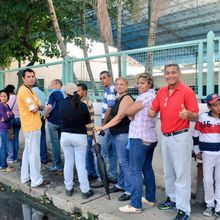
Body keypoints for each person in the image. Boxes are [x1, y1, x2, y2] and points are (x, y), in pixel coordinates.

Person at [148, 63, 199, 220]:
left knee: (181, 175)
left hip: (180, 137)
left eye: (173, 72)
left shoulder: (187, 91)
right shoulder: (162, 91)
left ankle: (184, 210)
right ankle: (172, 199)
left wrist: (188, 115)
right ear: (164, 75)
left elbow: (196, 116)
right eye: (167, 73)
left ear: (179, 73)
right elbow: (154, 108)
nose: (170, 76)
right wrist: (151, 111)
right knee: (168, 172)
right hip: (166, 137)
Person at [119, 73, 157, 213]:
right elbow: (131, 113)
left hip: (139, 138)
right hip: (149, 137)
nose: (138, 85)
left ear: (149, 84)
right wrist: (132, 112)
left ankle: (135, 205)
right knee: (146, 168)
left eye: (142, 83)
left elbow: (127, 111)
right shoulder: (152, 95)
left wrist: (131, 110)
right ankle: (150, 198)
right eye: (138, 83)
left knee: (135, 170)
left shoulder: (146, 96)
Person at [94, 77, 134, 201]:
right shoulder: (119, 98)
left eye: (122, 84)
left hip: (123, 134)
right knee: (121, 162)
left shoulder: (127, 98)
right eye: (117, 84)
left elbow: (120, 116)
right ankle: (120, 184)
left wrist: (103, 127)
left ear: (127, 85)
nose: (119, 86)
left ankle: (129, 190)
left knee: (124, 162)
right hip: (117, 133)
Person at [59, 83, 94, 199]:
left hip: (65, 136)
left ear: (66, 93)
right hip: (79, 137)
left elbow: (60, 119)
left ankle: (68, 189)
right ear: (76, 92)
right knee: (80, 164)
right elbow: (88, 121)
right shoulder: (83, 105)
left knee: (68, 163)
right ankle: (85, 191)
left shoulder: (61, 104)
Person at [18, 68, 50, 187]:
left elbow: (40, 105)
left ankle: (25, 177)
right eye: (28, 77)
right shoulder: (24, 91)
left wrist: (38, 106)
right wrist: (38, 106)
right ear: (23, 78)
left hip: (33, 126)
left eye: (33, 76)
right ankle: (36, 180)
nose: (31, 79)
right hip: (31, 126)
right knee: (34, 154)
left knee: (28, 152)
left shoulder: (30, 90)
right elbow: (35, 108)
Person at [193, 93, 220, 217]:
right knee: (208, 180)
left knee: (219, 180)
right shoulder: (202, 117)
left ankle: (218, 206)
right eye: (214, 105)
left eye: (219, 103)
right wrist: (197, 151)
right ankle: (210, 205)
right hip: (207, 154)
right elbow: (195, 135)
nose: (218, 107)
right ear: (209, 107)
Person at [91, 70, 118, 188]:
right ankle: (112, 175)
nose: (102, 80)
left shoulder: (111, 89)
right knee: (112, 152)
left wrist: (103, 125)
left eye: (104, 78)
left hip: (107, 124)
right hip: (112, 125)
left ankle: (100, 178)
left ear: (110, 78)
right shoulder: (108, 90)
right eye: (101, 78)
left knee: (100, 152)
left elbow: (110, 109)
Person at [77, 83, 97, 181]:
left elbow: (85, 119)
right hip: (84, 132)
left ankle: (91, 174)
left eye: (79, 90)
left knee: (87, 155)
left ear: (84, 91)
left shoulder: (86, 103)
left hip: (87, 132)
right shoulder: (81, 101)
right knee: (87, 154)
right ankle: (91, 173)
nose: (77, 92)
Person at [45, 79, 64, 171]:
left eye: (52, 84)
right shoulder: (65, 94)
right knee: (64, 144)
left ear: (57, 84)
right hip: (64, 122)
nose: (51, 87)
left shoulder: (53, 94)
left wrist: (45, 115)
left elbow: (49, 107)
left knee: (55, 144)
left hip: (53, 122)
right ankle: (67, 164)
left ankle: (58, 165)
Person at [5, 84, 21, 163]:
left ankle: (10, 157)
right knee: (16, 138)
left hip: (10, 120)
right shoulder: (18, 97)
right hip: (18, 119)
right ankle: (15, 157)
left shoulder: (6, 99)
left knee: (10, 139)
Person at [33, 80, 48, 164]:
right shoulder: (42, 93)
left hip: (34, 117)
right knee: (42, 137)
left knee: (33, 138)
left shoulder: (30, 92)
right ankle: (44, 157)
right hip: (42, 117)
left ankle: (35, 158)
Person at [0, 89, 15, 172]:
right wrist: (8, 117)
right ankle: (4, 167)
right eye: (1, 96)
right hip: (3, 129)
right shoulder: (1, 105)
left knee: (4, 147)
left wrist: (8, 117)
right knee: (4, 148)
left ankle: (2, 164)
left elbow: (12, 115)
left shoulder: (7, 105)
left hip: (7, 128)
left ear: (7, 97)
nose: (3, 98)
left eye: (5, 96)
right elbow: (6, 117)